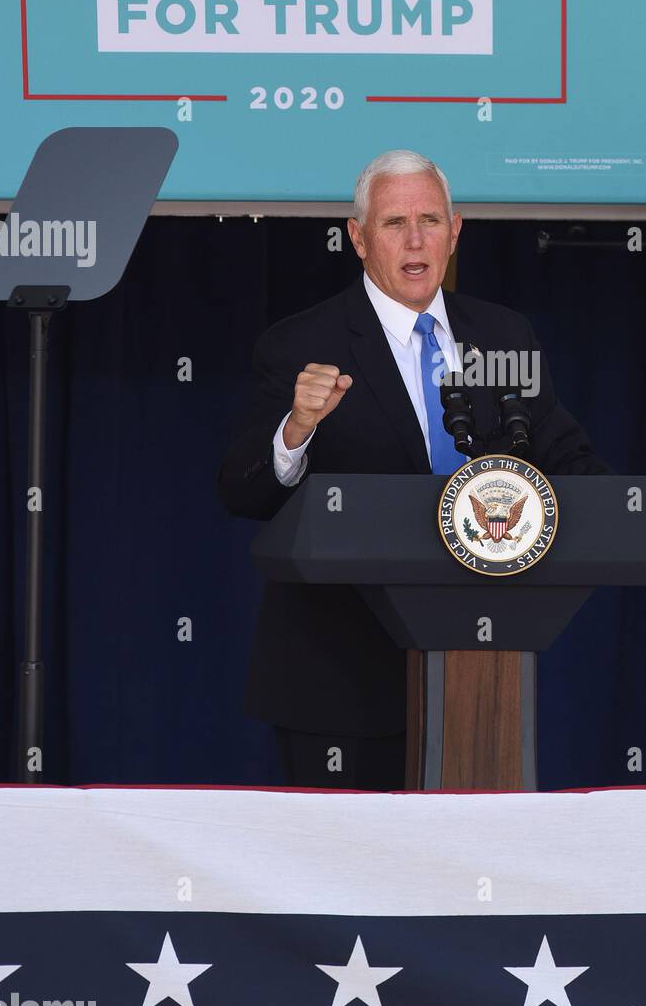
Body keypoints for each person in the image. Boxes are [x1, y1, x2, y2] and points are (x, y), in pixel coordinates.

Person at [217, 148, 609, 789]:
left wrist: (617, 513)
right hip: (340, 680)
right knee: (348, 881)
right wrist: (296, 430)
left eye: (431, 220)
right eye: (395, 223)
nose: (416, 239)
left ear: (456, 234)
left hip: (481, 673)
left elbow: (563, 454)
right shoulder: (302, 345)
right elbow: (240, 489)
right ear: (359, 238)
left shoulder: (504, 335)